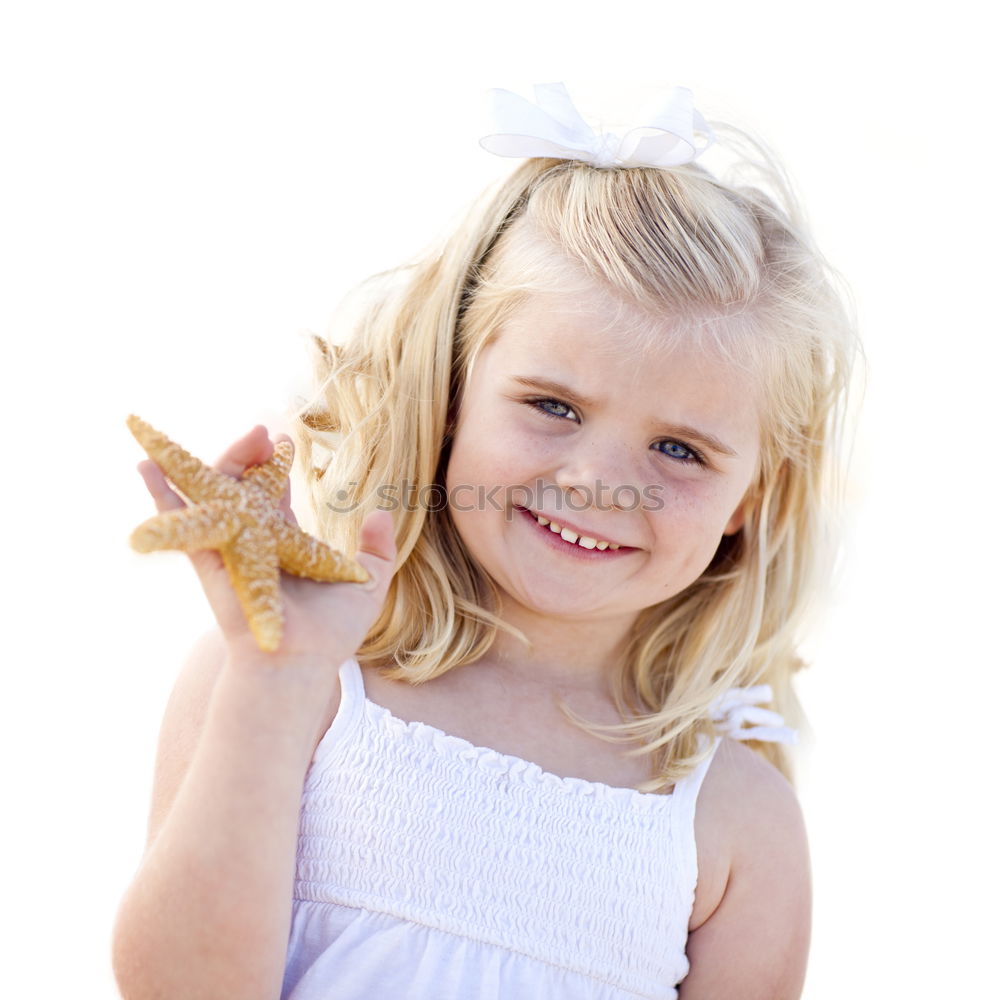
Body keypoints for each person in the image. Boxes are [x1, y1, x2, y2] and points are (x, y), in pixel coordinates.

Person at [112, 84, 857, 999]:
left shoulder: (737, 823)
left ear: (751, 496)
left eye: (678, 448)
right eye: (552, 406)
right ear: (454, 394)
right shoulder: (296, 684)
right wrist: (273, 685)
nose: (594, 480)